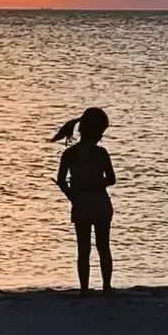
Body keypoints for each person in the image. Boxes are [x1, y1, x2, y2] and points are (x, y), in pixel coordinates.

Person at [54, 107, 115, 294]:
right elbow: (111, 179)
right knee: (103, 246)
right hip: (100, 201)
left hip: (81, 203)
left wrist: (73, 196)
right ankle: (106, 286)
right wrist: (96, 184)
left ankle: (84, 288)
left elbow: (61, 181)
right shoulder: (101, 153)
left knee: (83, 249)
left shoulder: (70, 154)